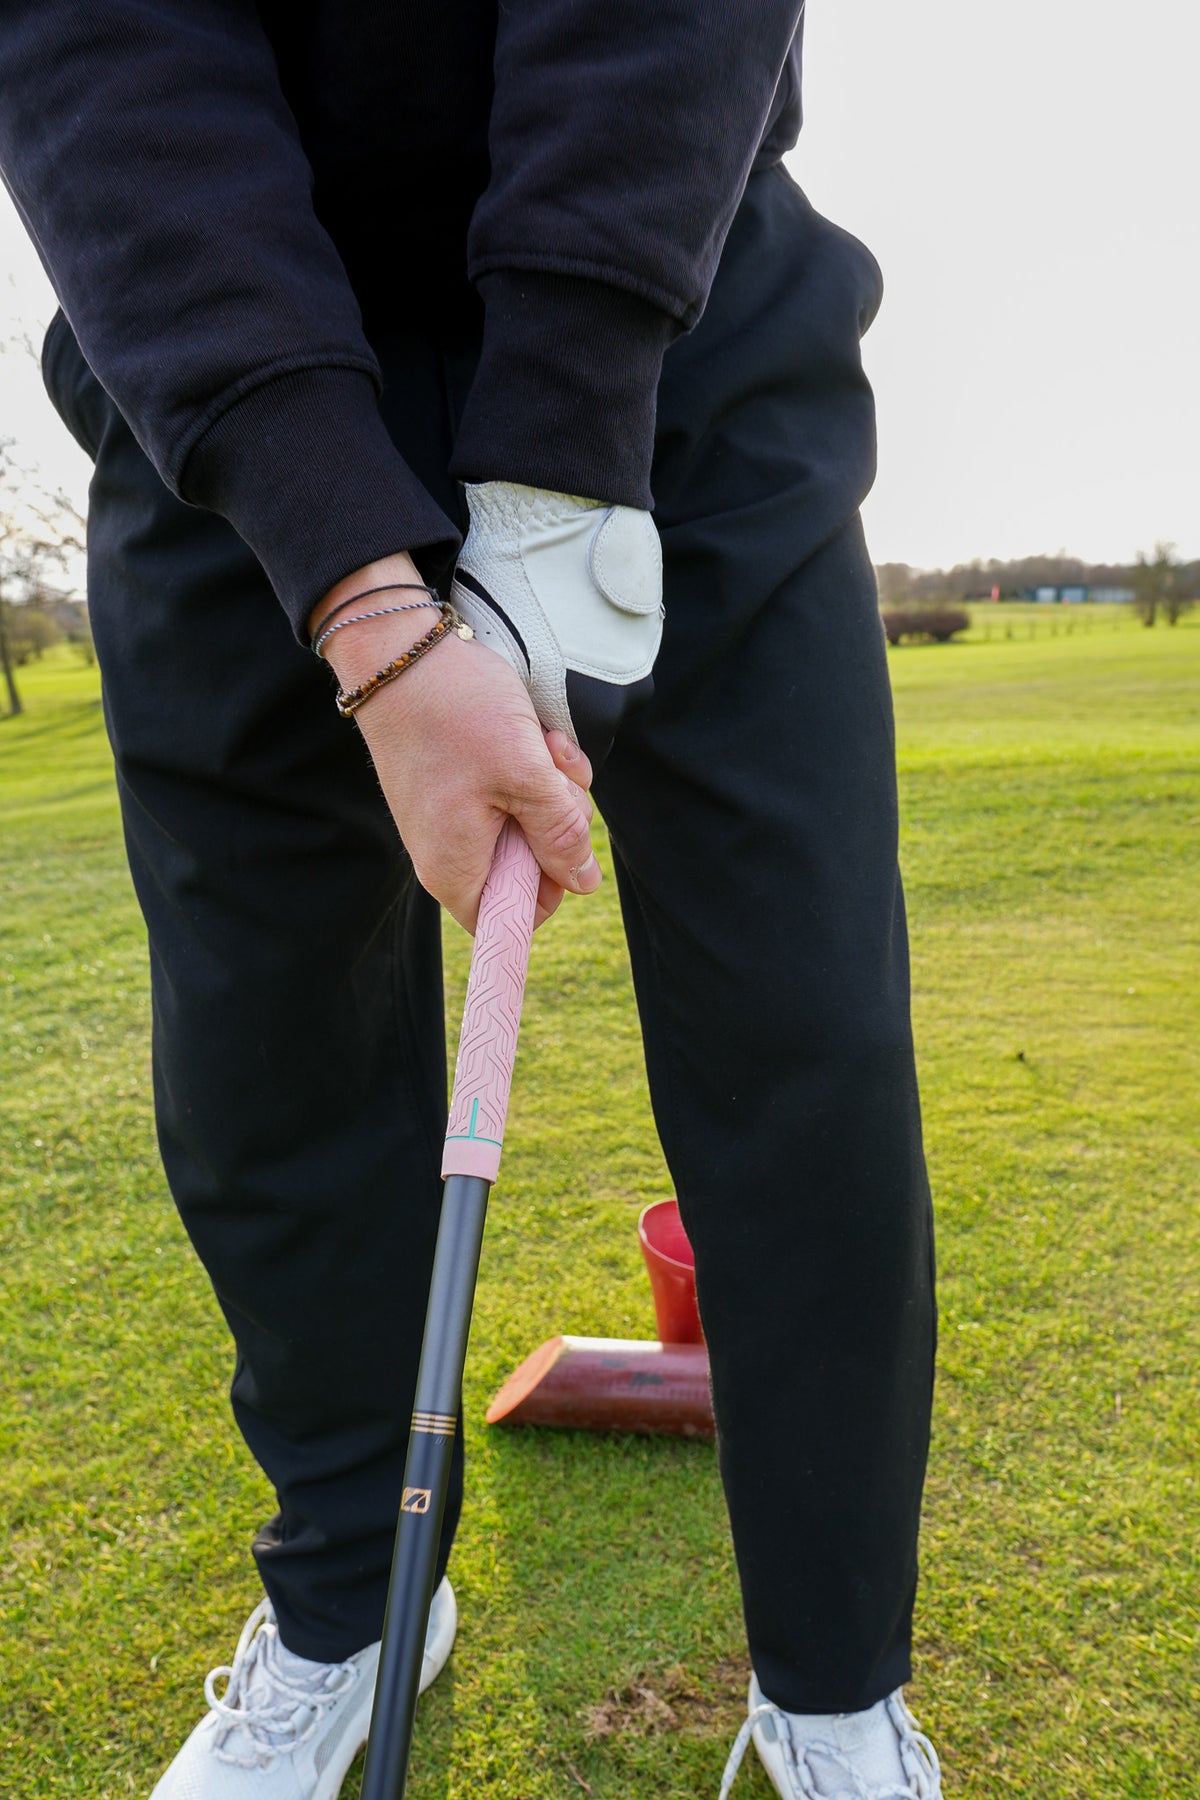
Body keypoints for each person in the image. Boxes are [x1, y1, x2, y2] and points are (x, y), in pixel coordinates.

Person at [0, 5, 941, 1796]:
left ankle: (831, 1679)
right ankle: (358, 1609)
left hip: (669, 293)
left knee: (799, 1019)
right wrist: (364, 601)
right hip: (224, 349)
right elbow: (92, 48)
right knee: (262, 1033)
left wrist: (549, 490)